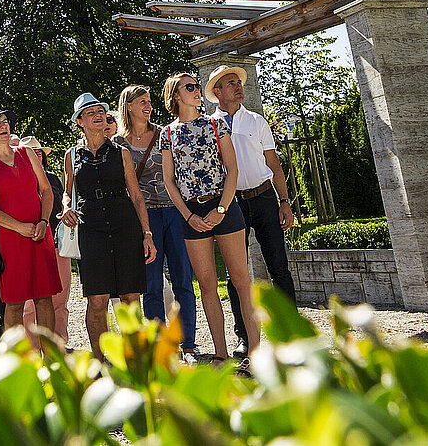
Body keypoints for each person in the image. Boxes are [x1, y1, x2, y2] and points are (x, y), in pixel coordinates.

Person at [158, 72, 259, 362]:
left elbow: (232, 170)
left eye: (196, 86)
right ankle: (221, 354)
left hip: (224, 207)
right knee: (206, 286)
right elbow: (169, 181)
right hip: (192, 214)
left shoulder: (216, 124)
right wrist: (188, 216)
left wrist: (221, 210)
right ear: (175, 96)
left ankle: (255, 353)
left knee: (241, 280)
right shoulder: (167, 134)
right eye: (189, 87)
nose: (196, 90)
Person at [205, 66, 297, 358]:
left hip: (264, 198)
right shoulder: (208, 127)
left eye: (238, 83)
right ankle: (244, 336)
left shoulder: (257, 121)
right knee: (236, 274)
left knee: (278, 267)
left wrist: (285, 201)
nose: (237, 86)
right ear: (217, 92)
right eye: (230, 83)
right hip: (231, 204)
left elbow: (274, 164)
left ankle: (291, 334)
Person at [60, 93, 156, 355]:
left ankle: (134, 360)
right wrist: (66, 206)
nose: (98, 115)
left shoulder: (121, 153)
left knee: (129, 297)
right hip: (91, 227)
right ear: (80, 121)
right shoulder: (71, 155)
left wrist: (147, 234)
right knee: (97, 299)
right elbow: (68, 191)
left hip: (124, 224)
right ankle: (100, 362)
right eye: (90, 113)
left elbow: (136, 195)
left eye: (100, 111)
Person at [115, 84, 199, 364]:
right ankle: (158, 344)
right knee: (151, 284)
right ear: (128, 106)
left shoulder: (164, 134)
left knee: (183, 278)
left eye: (149, 101)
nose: (148, 106)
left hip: (174, 211)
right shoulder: (118, 143)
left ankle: (188, 343)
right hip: (144, 217)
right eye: (141, 101)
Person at [0, 107, 61, 335]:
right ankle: (17, 362)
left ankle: (50, 361)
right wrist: (19, 227)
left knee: (44, 299)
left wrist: (43, 221)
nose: (3, 126)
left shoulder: (27, 153)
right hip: (10, 239)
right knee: (14, 302)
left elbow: (46, 190)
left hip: (40, 234)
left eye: (5, 122)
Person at [18, 136, 71, 347]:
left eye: (39, 152)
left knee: (61, 300)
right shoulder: (18, 179)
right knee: (30, 304)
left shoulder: (52, 179)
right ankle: (32, 349)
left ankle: (60, 346)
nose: (37, 155)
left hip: (57, 244)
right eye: (32, 152)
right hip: (29, 243)